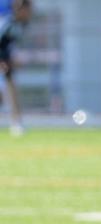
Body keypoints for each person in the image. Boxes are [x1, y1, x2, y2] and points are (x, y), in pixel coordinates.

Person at [0, 0, 31, 136]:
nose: (29, 13)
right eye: (26, 9)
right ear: (19, 10)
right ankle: (16, 123)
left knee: (11, 90)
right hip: (3, 60)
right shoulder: (7, 24)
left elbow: (10, 45)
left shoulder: (23, 23)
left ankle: (16, 123)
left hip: (6, 61)